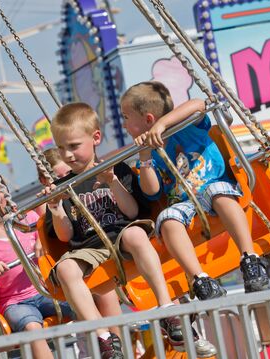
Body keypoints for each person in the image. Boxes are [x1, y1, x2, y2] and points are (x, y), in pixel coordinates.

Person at [43, 102, 201, 358]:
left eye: (73, 146)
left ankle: (165, 307)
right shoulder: (62, 186)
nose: (68, 155)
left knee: (136, 234)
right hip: (88, 246)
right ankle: (102, 334)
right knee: (65, 268)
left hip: (122, 234)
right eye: (62, 148)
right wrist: (56, 208)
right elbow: (66, 236)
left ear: (95, 138)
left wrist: (112, 182)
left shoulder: (117, 168)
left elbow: (131, 213)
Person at [120, 81, 270, 300]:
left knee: (218, 193)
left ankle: (250, 259)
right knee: (167, 219)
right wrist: (144, 158)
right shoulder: (151, 153)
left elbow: (198, 104)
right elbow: (152, 192)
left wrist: (162, 125)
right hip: (185, 203)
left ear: (149, 119)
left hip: (213, 185)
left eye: (126, 117)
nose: (124, 125)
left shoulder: (189, 126)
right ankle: (200, 279)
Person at [0, 172, 73, 359]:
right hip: (14, 303)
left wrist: (42, 241)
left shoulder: (27, 219)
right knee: (32, 328)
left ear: (5, 191)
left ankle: (104, 345)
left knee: (83, 301)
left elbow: (52, 241)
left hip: (46, 291)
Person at [35, 148, 72, 216]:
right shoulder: (43, 203)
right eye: (58, 177)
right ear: (43, 180)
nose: (65, 179)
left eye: (69, 172)